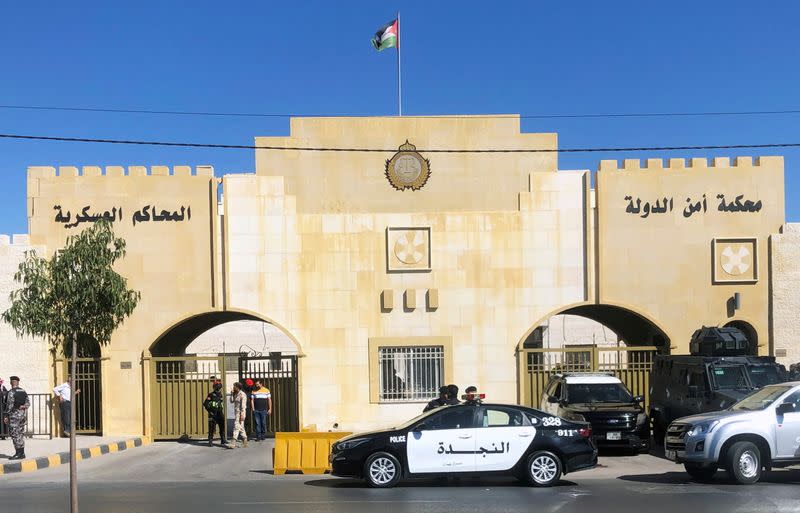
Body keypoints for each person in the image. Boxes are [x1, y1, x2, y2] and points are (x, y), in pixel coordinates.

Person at [3, 376, 29, 460]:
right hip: (22, 415)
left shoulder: (11, 392)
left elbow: (9, 405)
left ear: (11, 382)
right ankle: (22, 453)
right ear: (18, 382)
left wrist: (6, 415)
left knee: (15, 434)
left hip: (14, 416)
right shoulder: (23, 391)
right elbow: (28, 404)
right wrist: (23, 406)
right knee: (20, 434)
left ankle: (18, 453)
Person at [203, 381, 226, 447]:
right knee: (211, 428)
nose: (218, 388)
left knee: (222, 427)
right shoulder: (211, 395)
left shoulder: (220, 394)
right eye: (217, 386)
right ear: (214, 387)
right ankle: (210, 441)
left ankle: (223, 440)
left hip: (220, 413)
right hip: (213, 414)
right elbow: (205, 404)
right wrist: (210, 412)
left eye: (219, 386)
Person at [228, 382, 248, 448]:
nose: (233, 387)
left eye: (234, 386)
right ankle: (245, 440)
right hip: (236, 412)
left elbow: (243, 406)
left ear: (237, 387)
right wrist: (231, 394)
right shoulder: (235, 394)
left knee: (236, 426)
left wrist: (243, 415)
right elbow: (231, 401)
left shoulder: (242, 394)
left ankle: (233, 441)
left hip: (240, 413)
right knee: (241, 427)